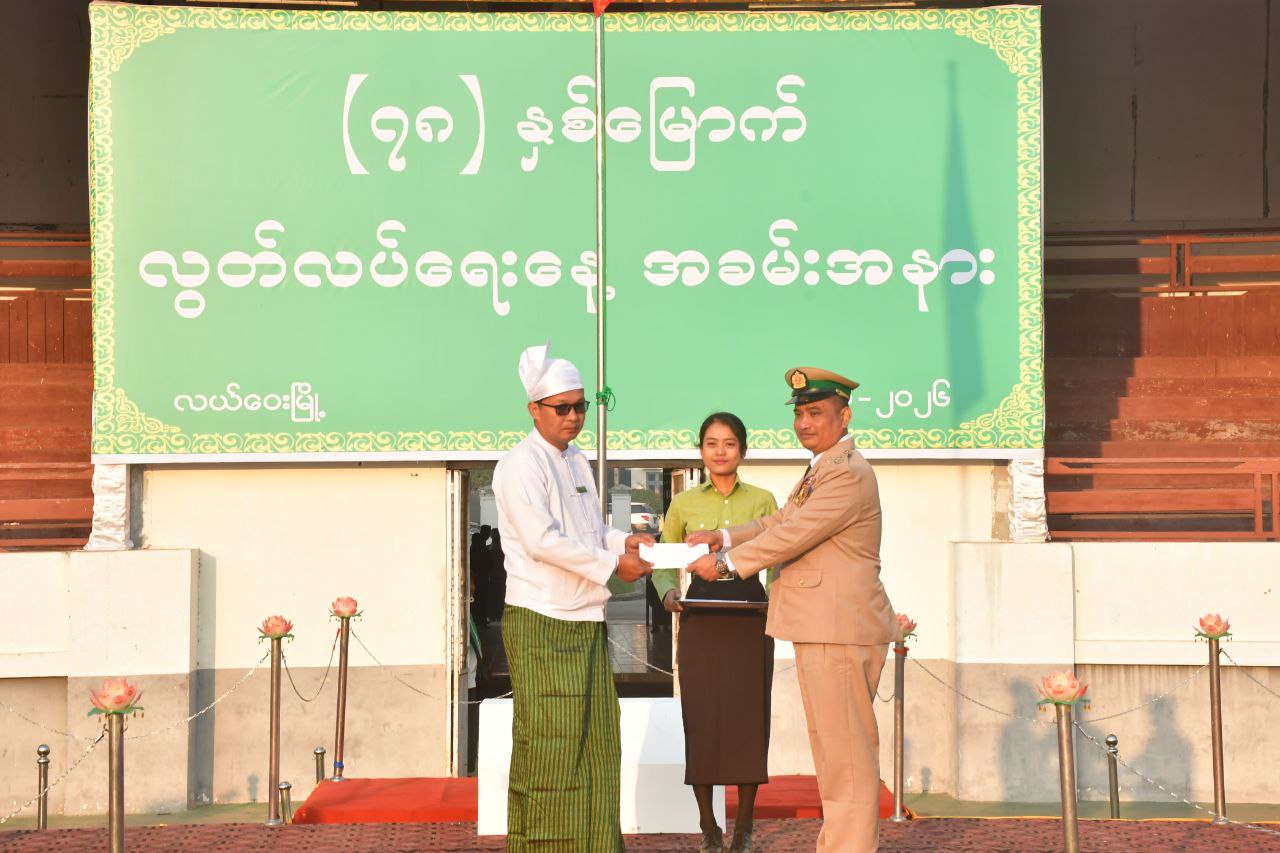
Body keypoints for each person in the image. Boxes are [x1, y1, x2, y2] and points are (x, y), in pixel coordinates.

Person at [686, 367, 897, 853]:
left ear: (845, 417)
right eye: (800, 414)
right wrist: (724, 536)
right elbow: (781, 520)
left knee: (847, 761)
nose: (804, 423)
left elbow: (793, 535)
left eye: (816, 413)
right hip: (824, 628)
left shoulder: (846, 473)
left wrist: (725, 564)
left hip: (840, 629)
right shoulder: (823, 468)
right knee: (834, 757)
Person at [493, 342, 654, 852]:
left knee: (597, 743)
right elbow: (542, 542)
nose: (574, 416)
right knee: (551, 749)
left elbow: (590, 530)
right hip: (542, 619)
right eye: (562, 407)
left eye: (581, 406)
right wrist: (613, 566)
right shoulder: (520, 465)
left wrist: (623, 543)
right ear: (533, 409)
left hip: (585, 619)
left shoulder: (577, 459)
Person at [652, 412, 778, 853]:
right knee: (702, 718)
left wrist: (777, 603)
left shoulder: (763, 500)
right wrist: (668, 593)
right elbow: (662, 560)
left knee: (749, 719)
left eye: (729, 443)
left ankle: (744, 827)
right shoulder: (684, 504)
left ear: (743, 450)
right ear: (701, 450)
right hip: (700, 617)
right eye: (711, 443)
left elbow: (778, 555)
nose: (720, 451)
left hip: (750, 616)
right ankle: (708, 826)